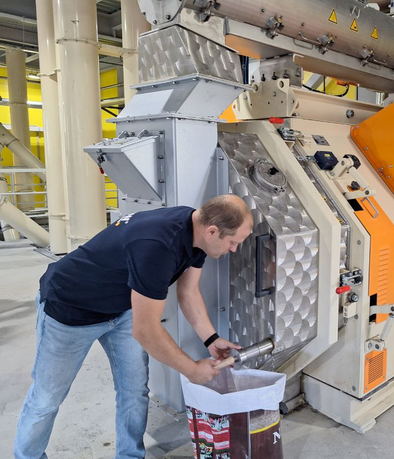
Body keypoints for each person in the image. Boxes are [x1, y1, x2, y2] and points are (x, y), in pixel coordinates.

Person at [14, 194, 254, 459]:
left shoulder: (196, 230)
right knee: (47, 398)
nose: (234, 249)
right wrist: (191, 370)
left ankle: (129, 456)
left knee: (134, 391)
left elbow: (188, 292)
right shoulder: (156, 245)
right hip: (70, 310)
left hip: (121, 308)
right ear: (212, 230)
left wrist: (211, 339)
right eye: (233, 242)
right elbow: (146, 331)